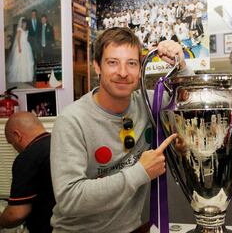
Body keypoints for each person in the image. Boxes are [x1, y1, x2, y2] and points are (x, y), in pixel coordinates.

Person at [50, 27, 190, 232]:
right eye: (112, 62)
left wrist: (182, 65)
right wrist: (140, 172)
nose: (123, 73)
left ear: (140, 69)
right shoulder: (72, 121)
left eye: (131, 63)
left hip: (134, 228)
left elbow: (190, 100)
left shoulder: (150, 101)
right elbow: (70, 198)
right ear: (97, 66)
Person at [0, 112, 55, 233]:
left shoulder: (28, 157)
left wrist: (1, 221)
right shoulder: (60, 143)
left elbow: (17, 214)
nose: (14, 147)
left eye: (11, 143)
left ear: (17, 135)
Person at [6, 17, 34, 83]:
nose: (24, 24)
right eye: (23, 23)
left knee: (27, 62)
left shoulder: (27, 30)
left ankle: (27, 77)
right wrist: (19, 47)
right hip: (21, 46)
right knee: (20, 62)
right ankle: (19, 77)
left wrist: (28, 44)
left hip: (26, 46)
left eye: (25, 23)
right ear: (21, 23)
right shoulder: (19, 30)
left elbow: (26, 39)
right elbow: (18, 39)